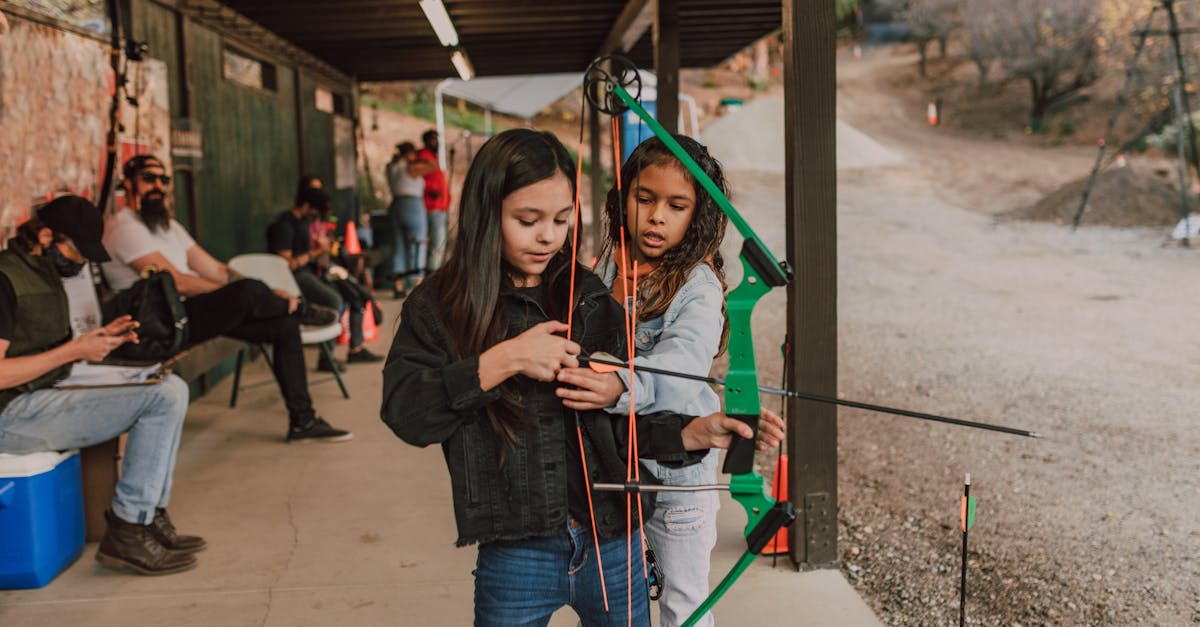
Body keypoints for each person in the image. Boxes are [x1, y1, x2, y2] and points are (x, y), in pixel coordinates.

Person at [380, 129, 778, 626]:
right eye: (528, 220)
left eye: (562, 219)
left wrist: (691, 432)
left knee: (686, 602)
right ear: (486, 213)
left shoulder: (586, 293)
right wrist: (503, 360)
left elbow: (605, 423)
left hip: (613, 542)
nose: (548, 236)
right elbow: (406, 413)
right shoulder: (439, 306)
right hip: (516, 553)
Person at [555, 135, 771, 627]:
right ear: (622, 198)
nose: (656, 217)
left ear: (698, 216)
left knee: (683, 605)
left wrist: (619, 387)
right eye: (645, 198)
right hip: (616, 459)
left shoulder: (699, 284)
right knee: (623, 600)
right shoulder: (608, 263)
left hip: (677, 473)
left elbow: (682, 367)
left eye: (677, 205)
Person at [0, 196, 201, 575]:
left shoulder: (43, 274)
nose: (82, 263)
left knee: (171, 387)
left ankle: (147, 516)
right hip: (9, 415)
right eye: (77, 252)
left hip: (37, 397)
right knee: (159, 399)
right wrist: (74, 350)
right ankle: (128, 529)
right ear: (45, 236)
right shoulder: (5, 279)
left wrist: (98, 340)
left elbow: (42, 351)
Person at [102, 154, 353, 443]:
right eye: (149, 178)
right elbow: (175, 282)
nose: (158, 185)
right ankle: (298, 308)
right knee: (247, 292)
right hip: (157, 324)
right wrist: (239, 294)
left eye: (164, 179)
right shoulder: (125, 228)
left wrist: (260, 292)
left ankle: (303, 421)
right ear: (129, 184)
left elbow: (216, 269)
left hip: (186, 314)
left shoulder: (168, 226)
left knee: (281, 324)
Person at [266, 186, 382, 370]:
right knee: (333, 299)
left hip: (312, 271)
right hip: (293, 277)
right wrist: (316, 252)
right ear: (305, 205)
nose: (317, 215)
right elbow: (286, 265)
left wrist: (325, 253)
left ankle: (356, 349)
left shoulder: (303, 224)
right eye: (315, 210)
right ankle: (326, 358)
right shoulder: (284, 226)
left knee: (352, 294)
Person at [385, 142, 435, 298]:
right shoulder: (409, 167)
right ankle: (417, 284)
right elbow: (433, 165)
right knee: (418, 244)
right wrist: (417, 158)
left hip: (396, 205)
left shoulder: (391, 167)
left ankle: (398, 286)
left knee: (398, 246)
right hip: (412, 205)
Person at [417, 129, 451, 272]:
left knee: (439, 245)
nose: (436, 143)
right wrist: (430, 190)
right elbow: (418, 178)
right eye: (433, 139)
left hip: (441, 207)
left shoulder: (433, 157)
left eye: (437, 139)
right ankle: (433, 275)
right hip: (432, 207)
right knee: (436, 245)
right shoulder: (424, 156)